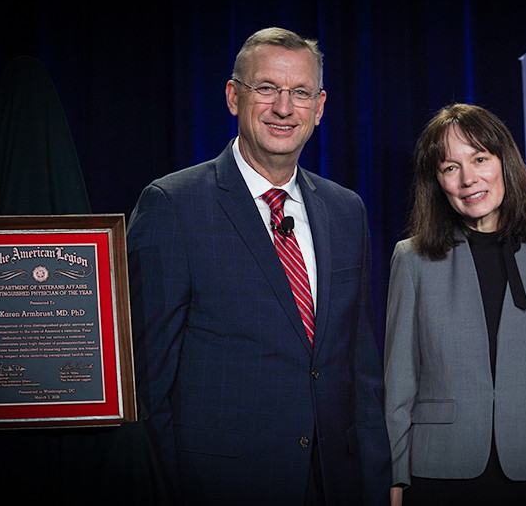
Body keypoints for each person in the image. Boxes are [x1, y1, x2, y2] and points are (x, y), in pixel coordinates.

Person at [127, 27, 391, 505]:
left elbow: (360, 367)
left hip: (335, 482)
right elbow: (148, 383)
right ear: (234, 96)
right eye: (266, 88)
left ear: (321, 106)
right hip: (222, 485)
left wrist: (375, 481)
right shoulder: (173, 205)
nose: (284, 108)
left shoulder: (345, 209)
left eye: (300, 93)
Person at [384, 103, 526, 506]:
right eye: (449, 167)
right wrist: (394, 484)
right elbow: (399, 388)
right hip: (437, 474)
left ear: (505, 162)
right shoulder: (412, 259)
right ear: (437, 182)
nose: (468, 178)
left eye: (480, 159)